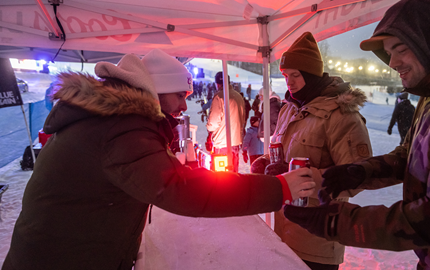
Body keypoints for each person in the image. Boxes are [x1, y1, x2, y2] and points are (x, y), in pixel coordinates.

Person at [1, 49, 316, 270]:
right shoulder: (121, 126)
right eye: (180, 95)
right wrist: (278, 189)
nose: (183, 105)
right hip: (62, 259)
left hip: (59, 252)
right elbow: (180, 190)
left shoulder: (111, 118)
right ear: (157, 91)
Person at [283, 1, 430, 269]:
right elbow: (408, 155)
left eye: (401, 49)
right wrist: (361, 171)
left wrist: (339, 222)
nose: (392, 62)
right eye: (389, 53)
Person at [252, 32, 372, 270]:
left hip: (318, 239)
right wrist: (264, 161)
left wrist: (294, 174)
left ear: (312, 74)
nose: (289, 82)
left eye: (295, 75)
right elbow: (283, 154)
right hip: (284, 231)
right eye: (286, 75)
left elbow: (357, 177)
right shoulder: (290, 109)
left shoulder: (341, 116)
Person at [206, 71, 245, 172]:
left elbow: (213, 124)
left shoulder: (219, 97)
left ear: (217, 84)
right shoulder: (238, 96)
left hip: (222, 144)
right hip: (235, 143)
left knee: (221, 180)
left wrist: (208, 124)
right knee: (234, 177)